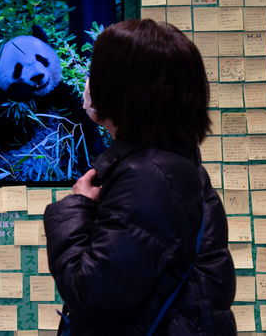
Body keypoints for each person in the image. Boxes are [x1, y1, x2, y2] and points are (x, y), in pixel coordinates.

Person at [43, 19, 236, 336]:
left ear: (123, 87)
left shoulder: (149, 177)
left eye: (98, 71)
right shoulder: (168, 166)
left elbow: (91, 294)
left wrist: (75, 207)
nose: (89, 82)